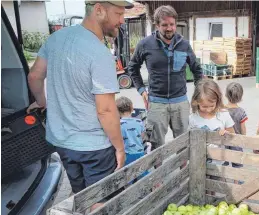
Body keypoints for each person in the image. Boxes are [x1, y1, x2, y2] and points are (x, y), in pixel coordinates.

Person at [26, 0, 133, 198]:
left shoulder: (56, 38)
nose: (121, 21)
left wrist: (41, 102)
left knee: (80, 194)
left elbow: (34, 76)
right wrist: (119, 148)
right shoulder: (99, 52)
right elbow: (106, 110)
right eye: (118, 14)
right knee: (101, 202)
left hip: (62, 142)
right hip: (95, 147)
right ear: (99, 10)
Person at [128, 5, 203, 151]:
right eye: (164, 25)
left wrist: (199, 94)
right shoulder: (145, 44)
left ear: (175, 23)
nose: (169, 28)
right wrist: (142, 90)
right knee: (156, 144)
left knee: (183, 142)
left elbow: (197, 70)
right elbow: (132, 67)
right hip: (156, 102)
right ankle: (159, 172)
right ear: (157, 25)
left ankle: (183, 171)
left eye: (172, 24)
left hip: (180, 102)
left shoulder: (184, 45)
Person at [116, 96, 149, 180]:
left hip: (127, 155)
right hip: (139, 152)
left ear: (117, 111)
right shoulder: (139, 121)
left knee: (128, 177)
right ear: (132, 108)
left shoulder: (118, 125)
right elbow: (142, 136)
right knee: (142, 173)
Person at [223, 82, 248, 169]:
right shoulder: (241, 112)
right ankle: (237, 181)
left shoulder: (222, 110)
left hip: (224, 141)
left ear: (226, 95)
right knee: (237, 164)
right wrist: (243, 138)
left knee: (223, 163)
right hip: (236, 142)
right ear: (240, 97)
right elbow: (243, 129)